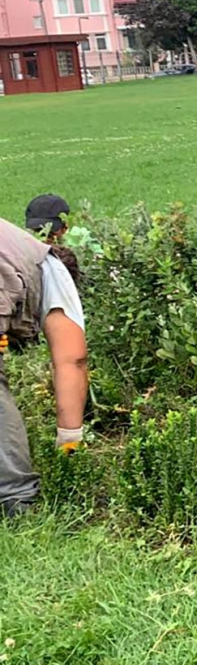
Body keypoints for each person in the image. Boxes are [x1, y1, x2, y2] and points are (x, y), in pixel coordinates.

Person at [1, 216, 89, 516]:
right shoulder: (53, 271)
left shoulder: (14, 247)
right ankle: (15, 500)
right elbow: (72, 360)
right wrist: (70, 443)